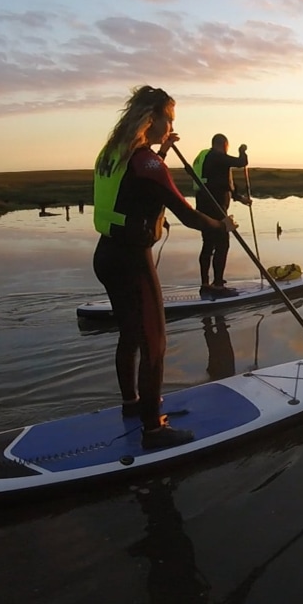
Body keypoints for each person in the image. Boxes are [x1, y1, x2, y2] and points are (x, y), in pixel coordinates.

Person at [93, 85, 236, 450]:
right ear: (151, 118)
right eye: (168, 118)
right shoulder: (149, 163)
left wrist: (162, 149)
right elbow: (187, 215)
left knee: (130, 334)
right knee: (154, 341)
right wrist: (222, 226)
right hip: (132, 260)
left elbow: (135, 183)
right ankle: (153, 430)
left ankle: (133, 405)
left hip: (106, 255)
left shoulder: (112, 154)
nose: (171, 123)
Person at [192, 134, 249, 297]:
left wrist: (240, 199)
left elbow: (223, 183)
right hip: (216, 210)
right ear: (224, 144)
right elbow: (241, 162)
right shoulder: (217, 156)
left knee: (208, 245)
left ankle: (205, 283)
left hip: (203, 208)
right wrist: (242, 151)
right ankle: (218, 286)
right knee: (222, 244)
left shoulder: (204, 158)